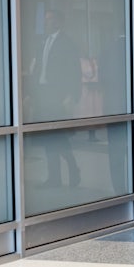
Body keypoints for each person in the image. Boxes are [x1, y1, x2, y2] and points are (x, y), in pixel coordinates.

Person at [29, 9, 82, 187]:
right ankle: (54, 177)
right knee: (47, 137)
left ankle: (73, 167)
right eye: (45, 19)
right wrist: (31, 93)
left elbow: (74, 71)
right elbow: (37, 67)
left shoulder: (67, 43)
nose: (47, 23)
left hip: (57, 95)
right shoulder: (43, 41)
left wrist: (71, 95)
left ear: (59, 21)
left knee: (58, 136)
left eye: (50, 19)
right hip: (43, 93)